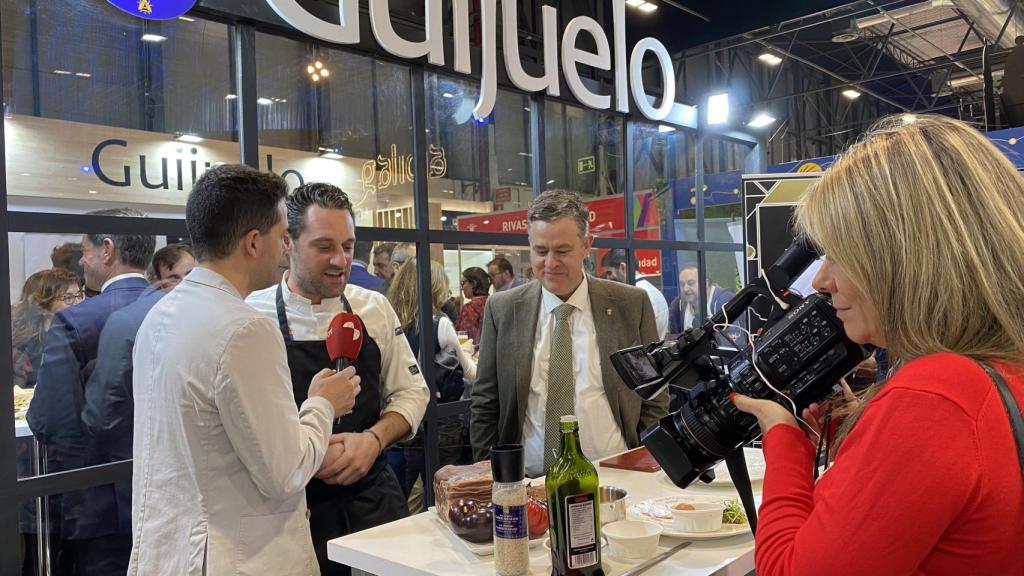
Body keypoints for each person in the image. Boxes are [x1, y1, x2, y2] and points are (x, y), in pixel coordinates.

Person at [732, 114, 1024, 575]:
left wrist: (783, 438)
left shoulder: (936, 395)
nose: (823, 281)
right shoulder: (997, 370)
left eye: (838, 255)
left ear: (901, 259)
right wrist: (857, 438)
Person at [129, 165, 361, 576]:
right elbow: (286, 471)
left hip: (171, 552)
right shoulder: (245, 329)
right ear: (253, 242)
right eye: (281, 237)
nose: (286, 248)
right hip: (236, 556)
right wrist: (322, 405)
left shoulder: (160, 317)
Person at [246, 182, 428, 575]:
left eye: (347, 246)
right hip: (288, 514)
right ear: (288, 243)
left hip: (372, 502)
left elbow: (412, 392)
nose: (340, 260)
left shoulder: (374, 308)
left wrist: (374, 440)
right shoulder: (250, 318)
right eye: (324, 246)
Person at [470, 190, 669, 477]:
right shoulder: (502, 309)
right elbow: (486, 404)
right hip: (530, 483)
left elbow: (654, 395)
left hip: (616, 477)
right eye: (540, 251)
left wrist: (645, 460)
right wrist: (494, 478)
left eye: (562, 251)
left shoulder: (631, 304)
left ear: (587, 244)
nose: (550, 263)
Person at [25, 208, 155, 572]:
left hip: (103, 504)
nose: (81, 260)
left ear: (107, 250)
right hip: (173, 493)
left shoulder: (75, 320)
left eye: (85, 250)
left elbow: (51, 419)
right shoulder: (174, 309)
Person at [386, 259, 476, 509]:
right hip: (440, 419)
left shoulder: (389, 321)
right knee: (440, 492)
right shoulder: (439, 323)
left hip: (401, 419)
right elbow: (470, 373)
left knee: (407, 487)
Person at [11, 268, 83, 389]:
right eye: (68, 298)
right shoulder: (24, 348)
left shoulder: (81, 334)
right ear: (41, 305)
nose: (79, 303)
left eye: (79, 295)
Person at [600, 249, 670, 339]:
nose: (608, 278)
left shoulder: (632, 296)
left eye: (609, 273)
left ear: (622, 268)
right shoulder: (655, 292)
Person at [455, 267, 489, 345]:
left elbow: (463, 338)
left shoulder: (468, 308)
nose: (461, 288)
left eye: (463, 283)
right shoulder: (493, 303)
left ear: (473, 283)